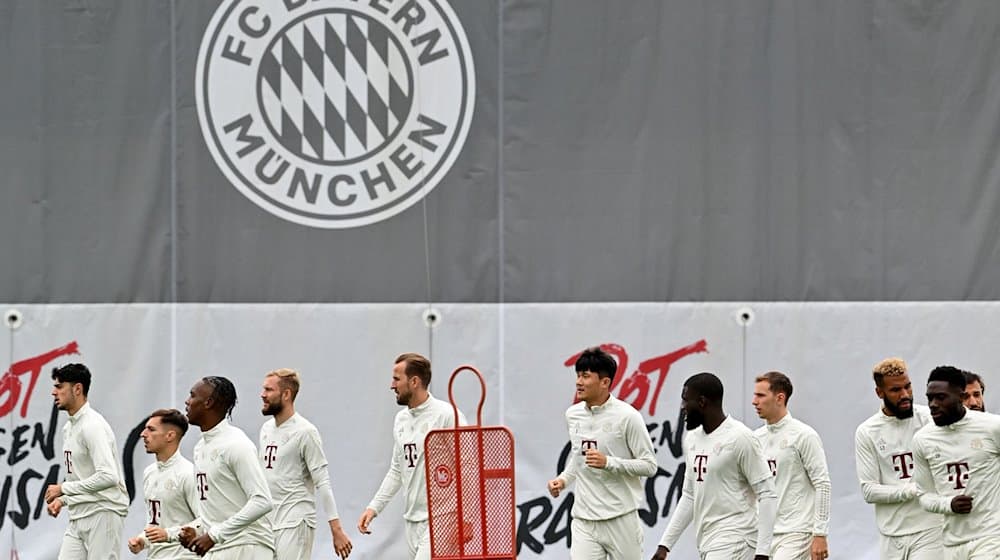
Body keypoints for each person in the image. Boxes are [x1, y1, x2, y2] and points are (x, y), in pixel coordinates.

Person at [546, 347, 658, 559]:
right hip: (584, 519)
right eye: (578, 375)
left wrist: (609, 462)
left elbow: (649, 465)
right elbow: (579, 457)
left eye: (585, 376)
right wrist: (563, 480)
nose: (579, 382)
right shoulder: (573, 414)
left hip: (621, 518)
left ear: (605, 382)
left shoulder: (628, 417)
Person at [653, 372, 777, 560]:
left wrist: (763, 552)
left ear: (702, 402)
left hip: (737, 538)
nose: (683, 407)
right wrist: (664, 546)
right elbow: (689, 495)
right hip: (708, 542)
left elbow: (767, 493)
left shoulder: (740, 437)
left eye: (686, 400)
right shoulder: (692, 439)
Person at [357, 353, 466, 560]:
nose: (392, 385)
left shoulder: (447, 415)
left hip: (443, 520)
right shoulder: (401, 419)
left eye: (397, 379)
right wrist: (373, 508)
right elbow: (397, 470)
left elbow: (468, 467)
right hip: (412, 520)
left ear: (414, 381)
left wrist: (466, 519)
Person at [854, 357, 942, 560]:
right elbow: (869, 491)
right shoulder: (867, 431)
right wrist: (910, 490)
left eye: (908, 387)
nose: (905, 395)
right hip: (891, 533)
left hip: (931, 527)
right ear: (879, 393)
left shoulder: (930, 419)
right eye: (895, 390)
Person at [259, 368, 352, 559]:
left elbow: (322, 482)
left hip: (295, 522)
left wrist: (336, 529)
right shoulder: (265, 429)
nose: (262, 395)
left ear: (286, 394)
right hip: (268, 523)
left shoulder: (306, 432)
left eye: (268, 390)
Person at [178, 376, 275, 559]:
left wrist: (214, 535)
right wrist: (197, 530)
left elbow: (263, 501)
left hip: (248, 547)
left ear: (208, 402)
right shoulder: (200, 447)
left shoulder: (236, 444)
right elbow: (218, 509)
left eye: (192, 396)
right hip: (218, 549)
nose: (187, 401)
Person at [912, 365, 1000, 559]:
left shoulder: (992, 427)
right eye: (929, 398)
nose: (933, 404)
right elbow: (924, 496)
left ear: (961, 397)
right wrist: (948, 504)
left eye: (940, 397)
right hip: (952, 544)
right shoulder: (922, 440)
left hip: (991, 538)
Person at [45, 363, 129, 560]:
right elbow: (84, 477)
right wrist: (63, 500)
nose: (53, 392)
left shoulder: (93, 425)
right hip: (78, 516)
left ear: (77, 389)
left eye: (59, 387)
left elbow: (108, 477)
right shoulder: (70, 428)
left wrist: (64, 489)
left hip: (104, 512)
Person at [751, 371, 831, 560]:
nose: (754, 401)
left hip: (796, 533)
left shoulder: (804, 435)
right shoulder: (755, 439)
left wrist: (820, 534)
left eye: (761, 395)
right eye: (755, 395)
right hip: (762, 535)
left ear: (780, 398)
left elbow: (823, 484)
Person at [127, 409, 201, 559]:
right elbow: (155, 522)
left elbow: (206, 521)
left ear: (170, 436)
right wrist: (143, 540)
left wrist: (169, 534)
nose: (143, 434)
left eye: (151, 429)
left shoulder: (188, 473)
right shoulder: (150, 473)